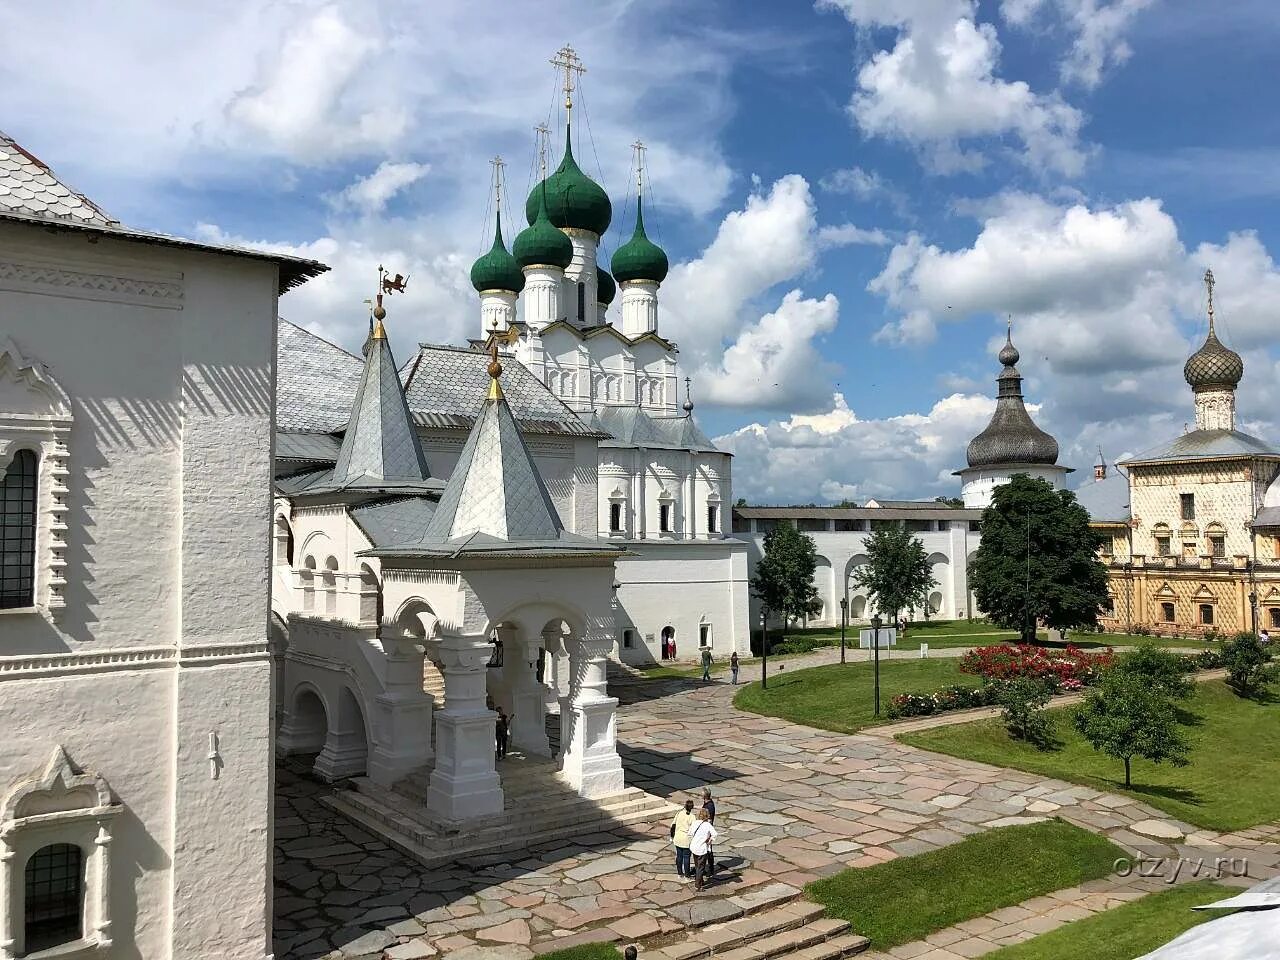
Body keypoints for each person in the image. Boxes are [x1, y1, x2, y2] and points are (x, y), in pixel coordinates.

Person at [689, 807, 718, 891]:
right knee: (700, 867)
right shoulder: (707, 825)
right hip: (701, 848)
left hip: (694, 847)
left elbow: (690, 833)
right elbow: (715, 834)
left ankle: (700, 881)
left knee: (697, 865)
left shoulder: (694, 823)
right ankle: (698, 885)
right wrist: (709, 840)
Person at [670, 798, 696, 880]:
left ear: (685, 806)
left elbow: (673, 825)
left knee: (679, 856)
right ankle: (687, 876)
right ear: (692, 807)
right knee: (686, 857)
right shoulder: (692, 817)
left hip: (677, 838)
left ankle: (680, 873)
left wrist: (671, 836)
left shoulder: (679, 813)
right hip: (686, 840)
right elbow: (694, 829)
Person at [701, 788, 717, 873]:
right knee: (705, 849)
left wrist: (708, 835)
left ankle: (710, 869)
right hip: (704, 829)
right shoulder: (707, 803)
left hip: (707, 830)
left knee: (708, 850)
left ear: (704, 795)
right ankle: (704, 868)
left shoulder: (709, 806)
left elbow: (709, 820)